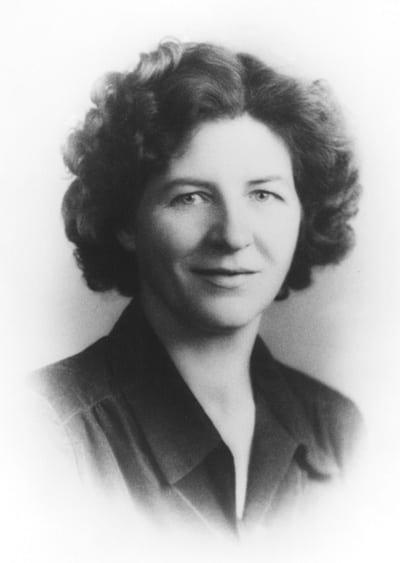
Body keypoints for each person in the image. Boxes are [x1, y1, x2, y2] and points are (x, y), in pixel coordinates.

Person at [32, 39, 362, 537]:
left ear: (304, 213)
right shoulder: (42, 432)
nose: (233, 235)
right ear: (127, 222)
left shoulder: (336, 429)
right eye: (190, 197)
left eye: (264, 194)